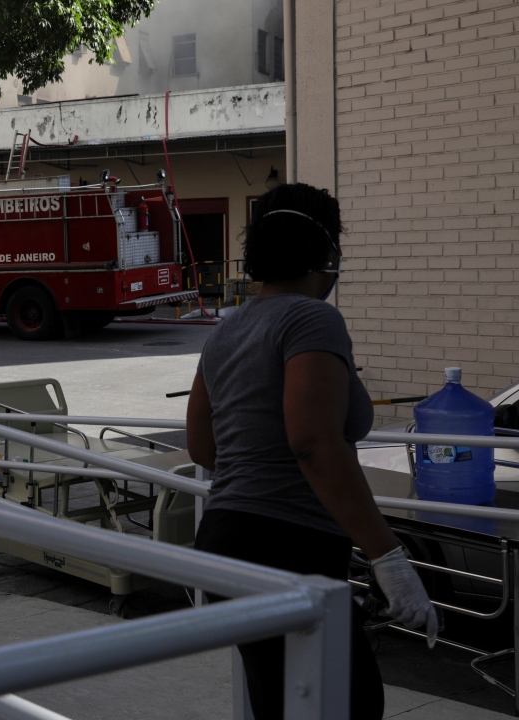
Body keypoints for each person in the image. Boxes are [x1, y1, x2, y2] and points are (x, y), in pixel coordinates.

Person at [185, 183, 436, 720]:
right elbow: (314, 442)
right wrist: (388, 558)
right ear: (326, 250)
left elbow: (202, 445)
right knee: (349, 704)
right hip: (284, 547)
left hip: (228, 538)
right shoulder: (312, 319)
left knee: (286, 705)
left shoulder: (227, 330)